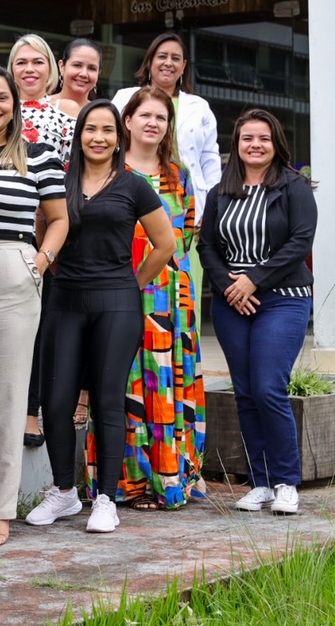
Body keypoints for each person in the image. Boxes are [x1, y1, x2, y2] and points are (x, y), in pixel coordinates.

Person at [28, 100, 175, 534]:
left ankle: (106, 498)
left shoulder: (134, 186)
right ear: (79, 135)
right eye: (90, 129)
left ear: (119, 136)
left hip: (117, 303)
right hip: (65, 301)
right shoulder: (60, 180)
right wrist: (61, 272)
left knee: (108, 401)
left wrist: (131, 283)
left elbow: (164, 244)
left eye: (107, 130)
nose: (98, 137)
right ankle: (63, 493)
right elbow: (44, 233)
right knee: (55, 402)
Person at [0, 66, 68, 548]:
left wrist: (39, 263)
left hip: (14, 270)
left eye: (2, 98)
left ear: (15, 106)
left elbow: (59, 219)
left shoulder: (38, 156)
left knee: (5, 401)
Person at [198, 108, 316, 517]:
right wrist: (231, 286)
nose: (255, 145)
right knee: (246, 394)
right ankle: (260, 482)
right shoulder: (220, 192)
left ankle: (287, 482)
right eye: (247, 138)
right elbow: (207, 246)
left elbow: (300, 242)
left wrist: (254, 280)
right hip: (234, 303)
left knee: (268, 388)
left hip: (283, 298)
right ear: (237, 144)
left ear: (275, 142)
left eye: (263, 138)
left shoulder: (294, 186)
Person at [105, 87, 205, 510]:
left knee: (167, 383)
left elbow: (187, 236)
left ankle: (172, 474)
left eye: (160, 118)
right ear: (126, 121)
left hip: (169, 297)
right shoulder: (107, 170)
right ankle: (129, 481)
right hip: (116, 291)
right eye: (144, 115)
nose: (152, 123)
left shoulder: (178, 176)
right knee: (125, 383)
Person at [111, 33, 221, 302]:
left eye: (176, 58)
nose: (168, 63)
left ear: (184, 66)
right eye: (162, 56)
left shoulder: (200, 107)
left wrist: (211, 210)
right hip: (130, 196)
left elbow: (210, 160)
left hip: (182, 206)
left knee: (179, 282)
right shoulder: (125, 97)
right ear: (149, 62)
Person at [8, 33, 73, 160]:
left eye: (38, 62)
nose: (29, 69)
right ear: (12, 69)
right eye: (21, 63)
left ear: (50, 68)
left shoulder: (65, 110)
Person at [48, 38, 103, 118]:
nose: (84, 74)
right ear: (62, 66)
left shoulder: (102, 115)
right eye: (77, 65)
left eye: (91, 68)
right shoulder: (43, 107)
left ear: (98, 73)